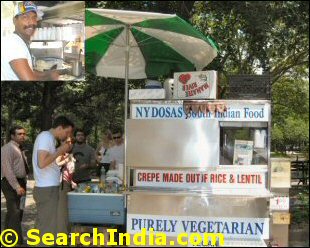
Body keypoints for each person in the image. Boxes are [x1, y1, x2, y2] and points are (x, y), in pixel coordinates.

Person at [32, 116, 74, 237]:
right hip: (47, 189)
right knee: (47, 230)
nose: (67, 136)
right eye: (67, 132)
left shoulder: (48, 138)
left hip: (49, 188)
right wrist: (61, 149)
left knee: (48, 227)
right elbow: (42, 163)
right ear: (60, 128)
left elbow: (47, 162)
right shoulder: (46, 137)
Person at [1, 1, 59, 81]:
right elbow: (29, 80)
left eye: (34, 17)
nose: (31, 22)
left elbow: (29, 70)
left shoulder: (18, 40)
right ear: (15, 21)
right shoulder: (14, 43)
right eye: (25, 17)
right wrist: (49, 77)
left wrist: (46, 74)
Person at [1, 125, 29, 245]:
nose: (23, 136)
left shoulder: (19, 148)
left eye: (23, 134)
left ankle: (6, 238)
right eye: (19, 134)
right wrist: (17, 186)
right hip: (10, 183)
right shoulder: (8, 149)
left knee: (17, 211)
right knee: (15, 211)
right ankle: (16, 241)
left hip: (21, 181)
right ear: (12, 136)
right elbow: (7, 170)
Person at [56, 137, 77, 234]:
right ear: (61, 141)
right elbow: (56, 165)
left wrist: (72, 181)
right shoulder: (59, 152)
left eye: (71, 142)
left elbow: (68, 171)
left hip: (68, 184)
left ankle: (67, 232)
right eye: (67, 142)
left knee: (68, 210)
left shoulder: (68, 154)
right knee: (62, 211)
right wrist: (66, 160)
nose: (70, 143)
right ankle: (62, 235)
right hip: (61, 185)